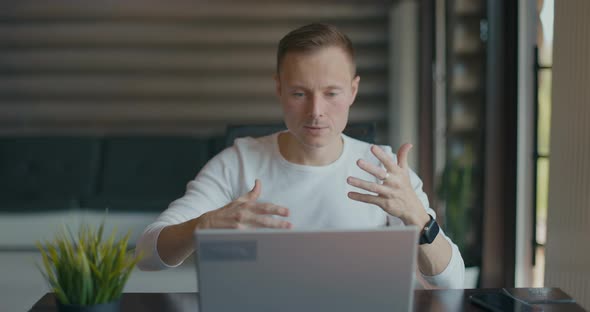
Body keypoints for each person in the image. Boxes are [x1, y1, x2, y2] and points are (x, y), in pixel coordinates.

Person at [135, 23, 465, 288]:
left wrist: (419, 220)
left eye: (331, 93)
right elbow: (146, 253)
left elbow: (453, 281)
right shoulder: (239, 161)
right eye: (299, 94)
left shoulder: (386, 170)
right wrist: (203, 225)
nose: (316, 112)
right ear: (279, 89)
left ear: (353, 90)